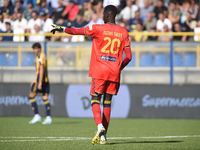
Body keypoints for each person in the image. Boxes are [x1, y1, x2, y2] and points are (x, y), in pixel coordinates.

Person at [51, 5, 132, 144]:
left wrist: (62, 28)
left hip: (100, 70)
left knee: (95, 99)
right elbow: (129, 57)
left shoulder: (98, 28)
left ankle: (100, 127)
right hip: (114, 72)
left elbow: (77, 31)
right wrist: (119, 68)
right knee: (107, 102)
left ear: (106, 15)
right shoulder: (123, 32)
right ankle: (103, 137)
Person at [28, 42, 52, 124]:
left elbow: (41, 69)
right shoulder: (39, 57)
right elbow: (38, 71)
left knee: (31, 96)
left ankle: (37, 116)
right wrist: (34, 80)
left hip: (41, 80)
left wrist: (39, 82)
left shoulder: (41, 56)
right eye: (33, 49)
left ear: (39, 49)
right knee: (45, 98)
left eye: (35, 49)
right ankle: (48, 118)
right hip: (43, 80)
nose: (34, 51)